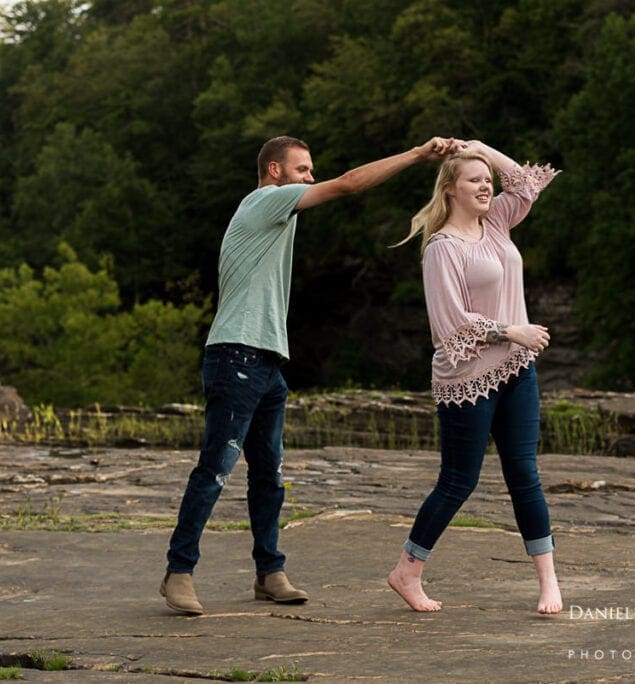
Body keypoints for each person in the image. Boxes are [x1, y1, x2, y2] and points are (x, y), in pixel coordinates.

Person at [162, 134, 462, 615]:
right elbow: (348, 185)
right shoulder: (265, 200)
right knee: (215, 470)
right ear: (276, 171)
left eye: (312, 170)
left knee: (269, 477)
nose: (311, 178)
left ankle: (269, 572)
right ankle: (179, 572)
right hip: (235, 355)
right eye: (303, 169)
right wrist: (416, 155)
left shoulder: (279, 213)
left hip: (265, 361)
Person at [386, 140, 563, 614]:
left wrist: (481, 148)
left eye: (488, 180)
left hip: (516, 371)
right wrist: (511, 331)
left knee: (524, 475)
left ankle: (548, 582)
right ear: (450, 190)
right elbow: (451, 326)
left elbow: (526, 183)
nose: (487, 185)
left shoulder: (498, 223)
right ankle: (407, 570)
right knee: (458, 481)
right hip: (466, 379)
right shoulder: (442, 248)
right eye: (474, 179)